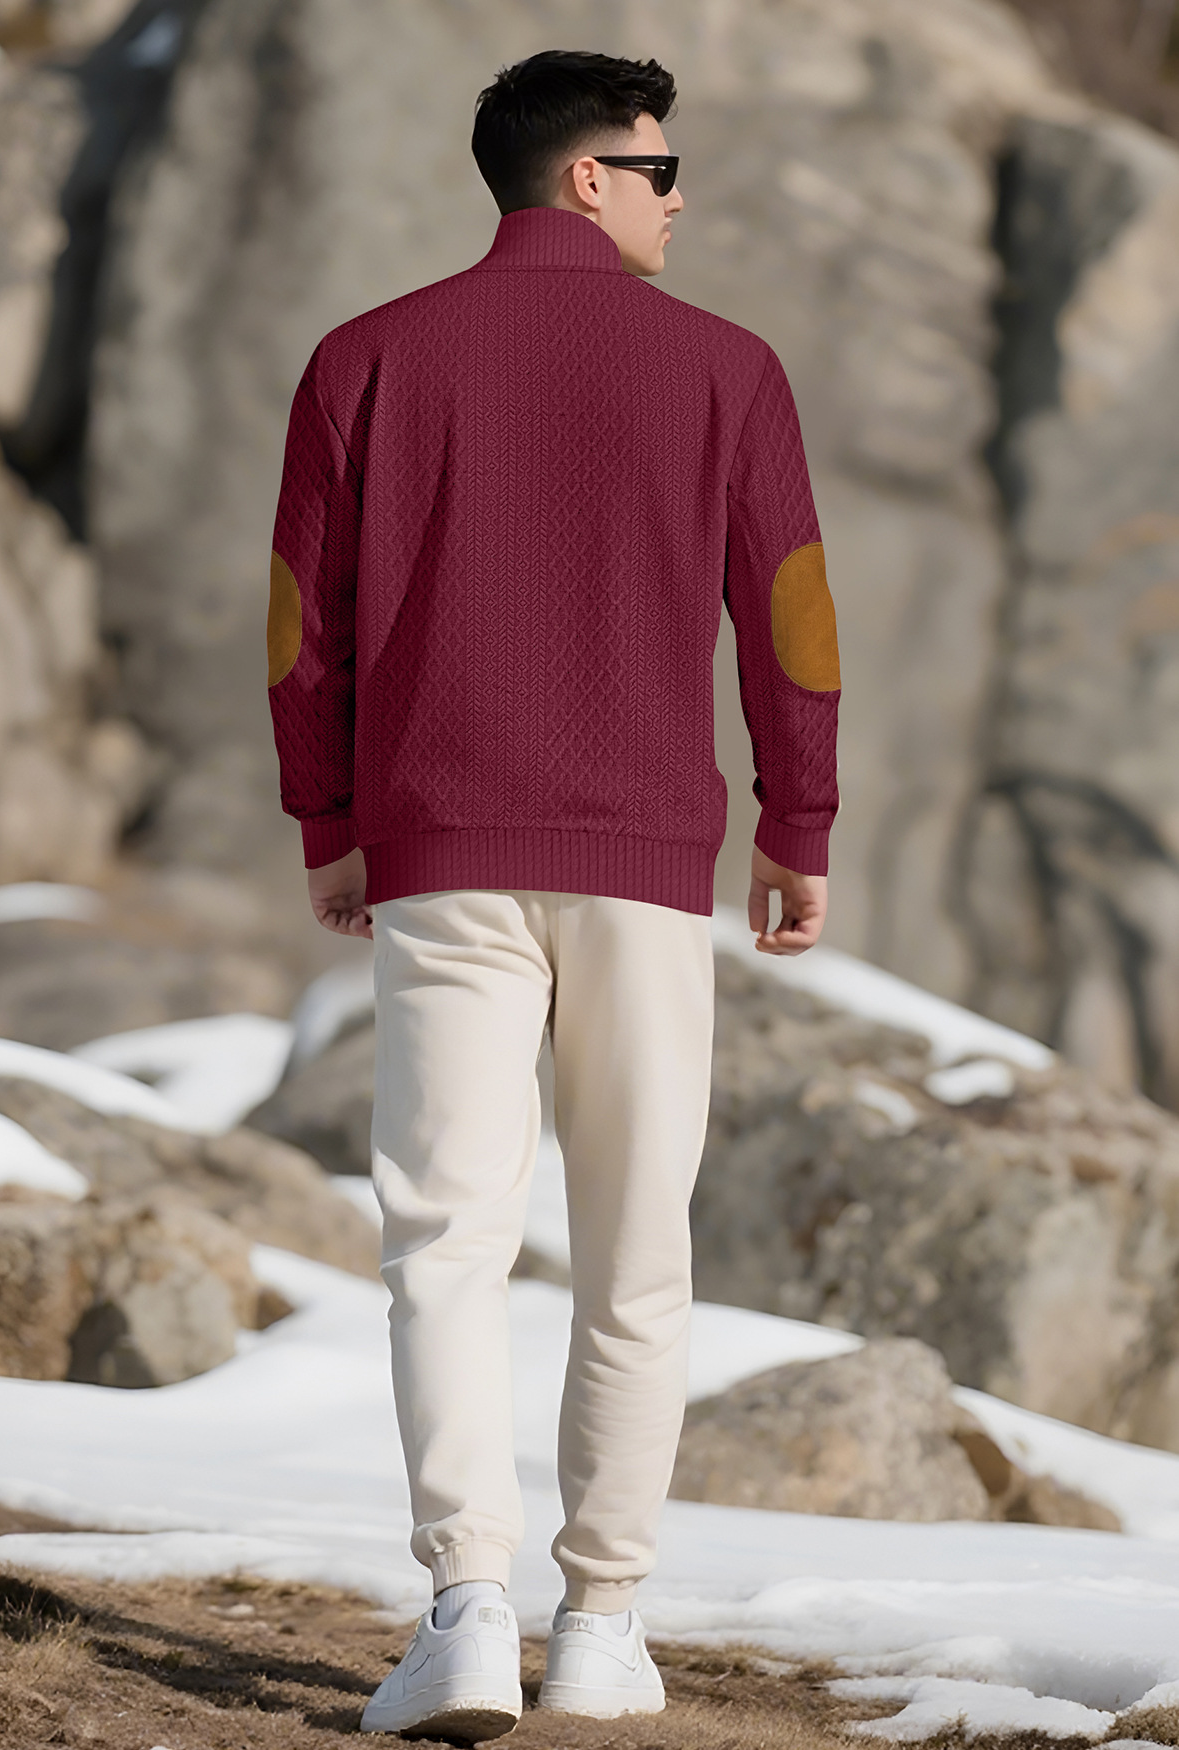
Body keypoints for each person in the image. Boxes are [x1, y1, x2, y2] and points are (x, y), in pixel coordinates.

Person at [266, 47, 840, 1743]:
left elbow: (303, 624)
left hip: (440, 854)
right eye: (661, 168)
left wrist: (329, 817)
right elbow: (794, 617)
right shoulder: (730, 367)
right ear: (588, 177)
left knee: (444, 1238)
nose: (681, 196)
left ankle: (464, 1606)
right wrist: (797, 821)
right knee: (637, 1245)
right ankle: (602, 1624)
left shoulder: (365, 357)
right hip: (646, 868)